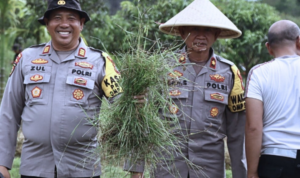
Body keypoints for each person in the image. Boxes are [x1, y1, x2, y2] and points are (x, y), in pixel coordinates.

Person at [0, 0, 124, 177]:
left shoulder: (101, 62)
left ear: (81, 24)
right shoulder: (26, 59)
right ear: (47, 24)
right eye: (57, 18)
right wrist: (2, 162)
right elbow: (8, 112)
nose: (64, 24)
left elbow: (125, 108)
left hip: (83, 168)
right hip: (35, 167)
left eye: (71, 18)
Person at [124, 0, 247, 177]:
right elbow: (141, 120)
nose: (201, 36)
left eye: (208, 30)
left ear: (217, 34)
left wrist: (241, 174)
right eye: (194, 29)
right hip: (166, 166)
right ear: (182, 33)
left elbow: (237, 133)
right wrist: (136, 170)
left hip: (209, 169)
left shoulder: (229, 72)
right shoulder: (160, 68)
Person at [245, 20, 300, 178]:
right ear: (298, 41)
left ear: (268, 47)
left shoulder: (259, 73)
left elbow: (253, 127)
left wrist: (252, 172)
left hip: (275, 160)